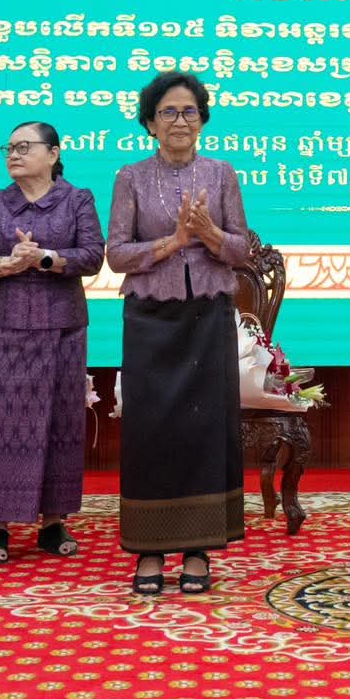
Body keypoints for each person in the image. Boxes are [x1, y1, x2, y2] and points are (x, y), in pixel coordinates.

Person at [106, 71, 251, 594]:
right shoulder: (130, 177)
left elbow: (241, 249)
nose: (180, 121)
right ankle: (149, 550)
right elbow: (116, 253)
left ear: (203, 119)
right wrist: (173, 242)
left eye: (190, 111)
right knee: (151, 432)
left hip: (208, 317)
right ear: (150, 123)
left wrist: (209, 234)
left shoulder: (221, 173)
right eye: (168, 112)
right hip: (150, 318)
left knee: (202, 431)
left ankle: (197, 549)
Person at [0, 122, 105, 564]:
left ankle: (53, 523)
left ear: (53, 153)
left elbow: (93, 256)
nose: (14, 154)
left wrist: (45, 258)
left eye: (25, 147)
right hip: (3, 326)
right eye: (10, 147)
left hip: (62, 327)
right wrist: (1, 264)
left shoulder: (77, 199)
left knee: (60, 422)